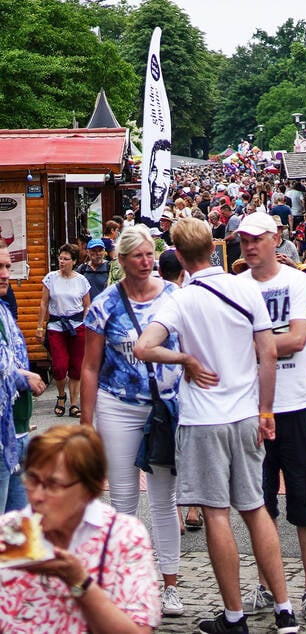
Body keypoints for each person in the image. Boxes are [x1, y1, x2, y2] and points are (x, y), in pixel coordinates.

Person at [133, 218, 300, 634]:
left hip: (203, 418)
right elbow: (267, 355)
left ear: (178, 254)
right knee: (256, 509)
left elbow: (143, 347)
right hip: (246, 414)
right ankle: (284, 609)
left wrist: (185, 359)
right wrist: (266, 410)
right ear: (215, 246)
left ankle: (234, 616)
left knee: (216, 514)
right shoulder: (246, 287)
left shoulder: (181, 299)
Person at [79, 224, 185, 618]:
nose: (145, 262)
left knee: (163, 498)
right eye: (137, 256)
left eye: (149, 255)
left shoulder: (174, 296)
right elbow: (90, 367)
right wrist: (86, 421)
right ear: (121, 261)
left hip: (162, 409)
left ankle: (170, 583)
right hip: (117, 405)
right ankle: (129, 583)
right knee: (122, 498)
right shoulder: (104, 304)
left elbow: (190, 348)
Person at [235, 213, 306, 624]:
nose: (249, 246)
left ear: (276, 239)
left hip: (297, 403)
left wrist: (254, 344)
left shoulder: (297, 282)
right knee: (259, 502)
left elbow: (296, 338)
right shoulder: (235, 287)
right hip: (250, 407)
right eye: (243, 240)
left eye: (257, 239)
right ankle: (267, 584)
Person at [0, 425, 162, 631]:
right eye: (33, 480)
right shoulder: (10, 530)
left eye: (53, 485)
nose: (37, 496)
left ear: (87, 488)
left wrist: (78, 581)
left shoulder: (123, 536)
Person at [0, 245, 45, 513]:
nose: (5, 274)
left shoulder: (4, 309)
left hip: (18, 431)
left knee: (18, 532)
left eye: (6, 266)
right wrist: (20, 376)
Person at [37, 243, 90, 418]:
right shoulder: (51, 278)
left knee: (76, 367)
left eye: (66, 259)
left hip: (76, 326)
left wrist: (86, 325)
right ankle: (61, 396)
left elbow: (87, 306)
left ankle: (74, 403)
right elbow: (44, 302)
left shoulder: (81, 280)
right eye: (60, 258)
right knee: (59, 366)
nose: (62, 261)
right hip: (56, 326)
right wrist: (39, 327)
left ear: (74, 261)